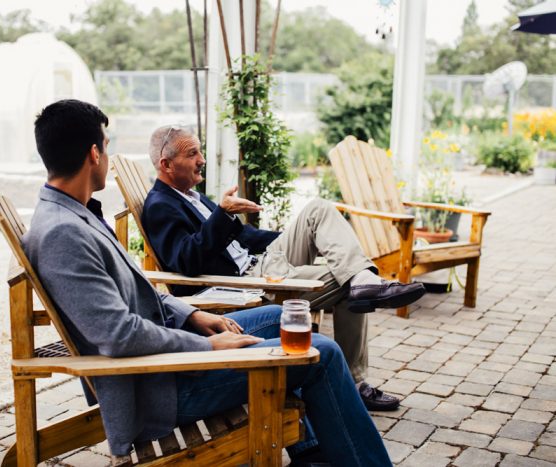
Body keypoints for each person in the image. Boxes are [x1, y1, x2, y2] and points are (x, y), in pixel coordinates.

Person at [23, 99, 392, 466]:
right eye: (106, 144)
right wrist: (210, 347)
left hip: (169, 350)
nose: (107, 152)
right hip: (159, 384)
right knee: (321, 353)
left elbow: (143, 293)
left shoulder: (75, 214)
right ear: (93, 153)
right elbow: (119, 334)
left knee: (281, 317)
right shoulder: (62, 233)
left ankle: (313, 451)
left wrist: (193, 316)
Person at [142, 125, 427, 412]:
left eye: (200, 151)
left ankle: (364, 278)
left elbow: (243, 238)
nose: (201, 159)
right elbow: (186, 262)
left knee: (318, 210)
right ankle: (354, 382)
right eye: (193, 153)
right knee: (347, 283)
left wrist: (295, 236)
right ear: (166, 164)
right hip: (241, 285)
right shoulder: (160, 206)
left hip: (261, 263)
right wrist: (222, 214)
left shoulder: (191, 196)